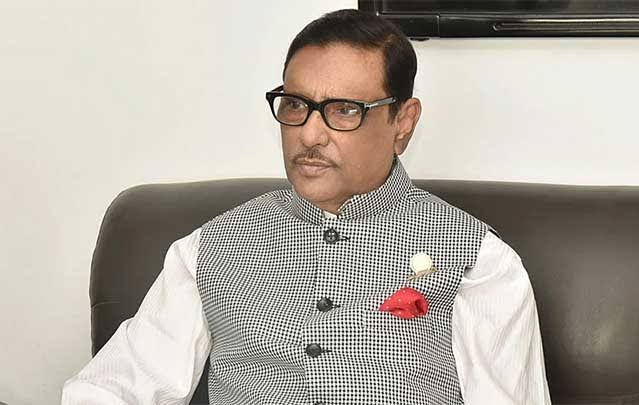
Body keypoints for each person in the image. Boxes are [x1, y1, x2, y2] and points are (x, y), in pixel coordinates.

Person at [62, 9, 551, 405]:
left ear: (403, 122)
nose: (310, 134)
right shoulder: (207, 251)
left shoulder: (480, 263)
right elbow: (110, 388)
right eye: (296, 105)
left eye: (344, 110)